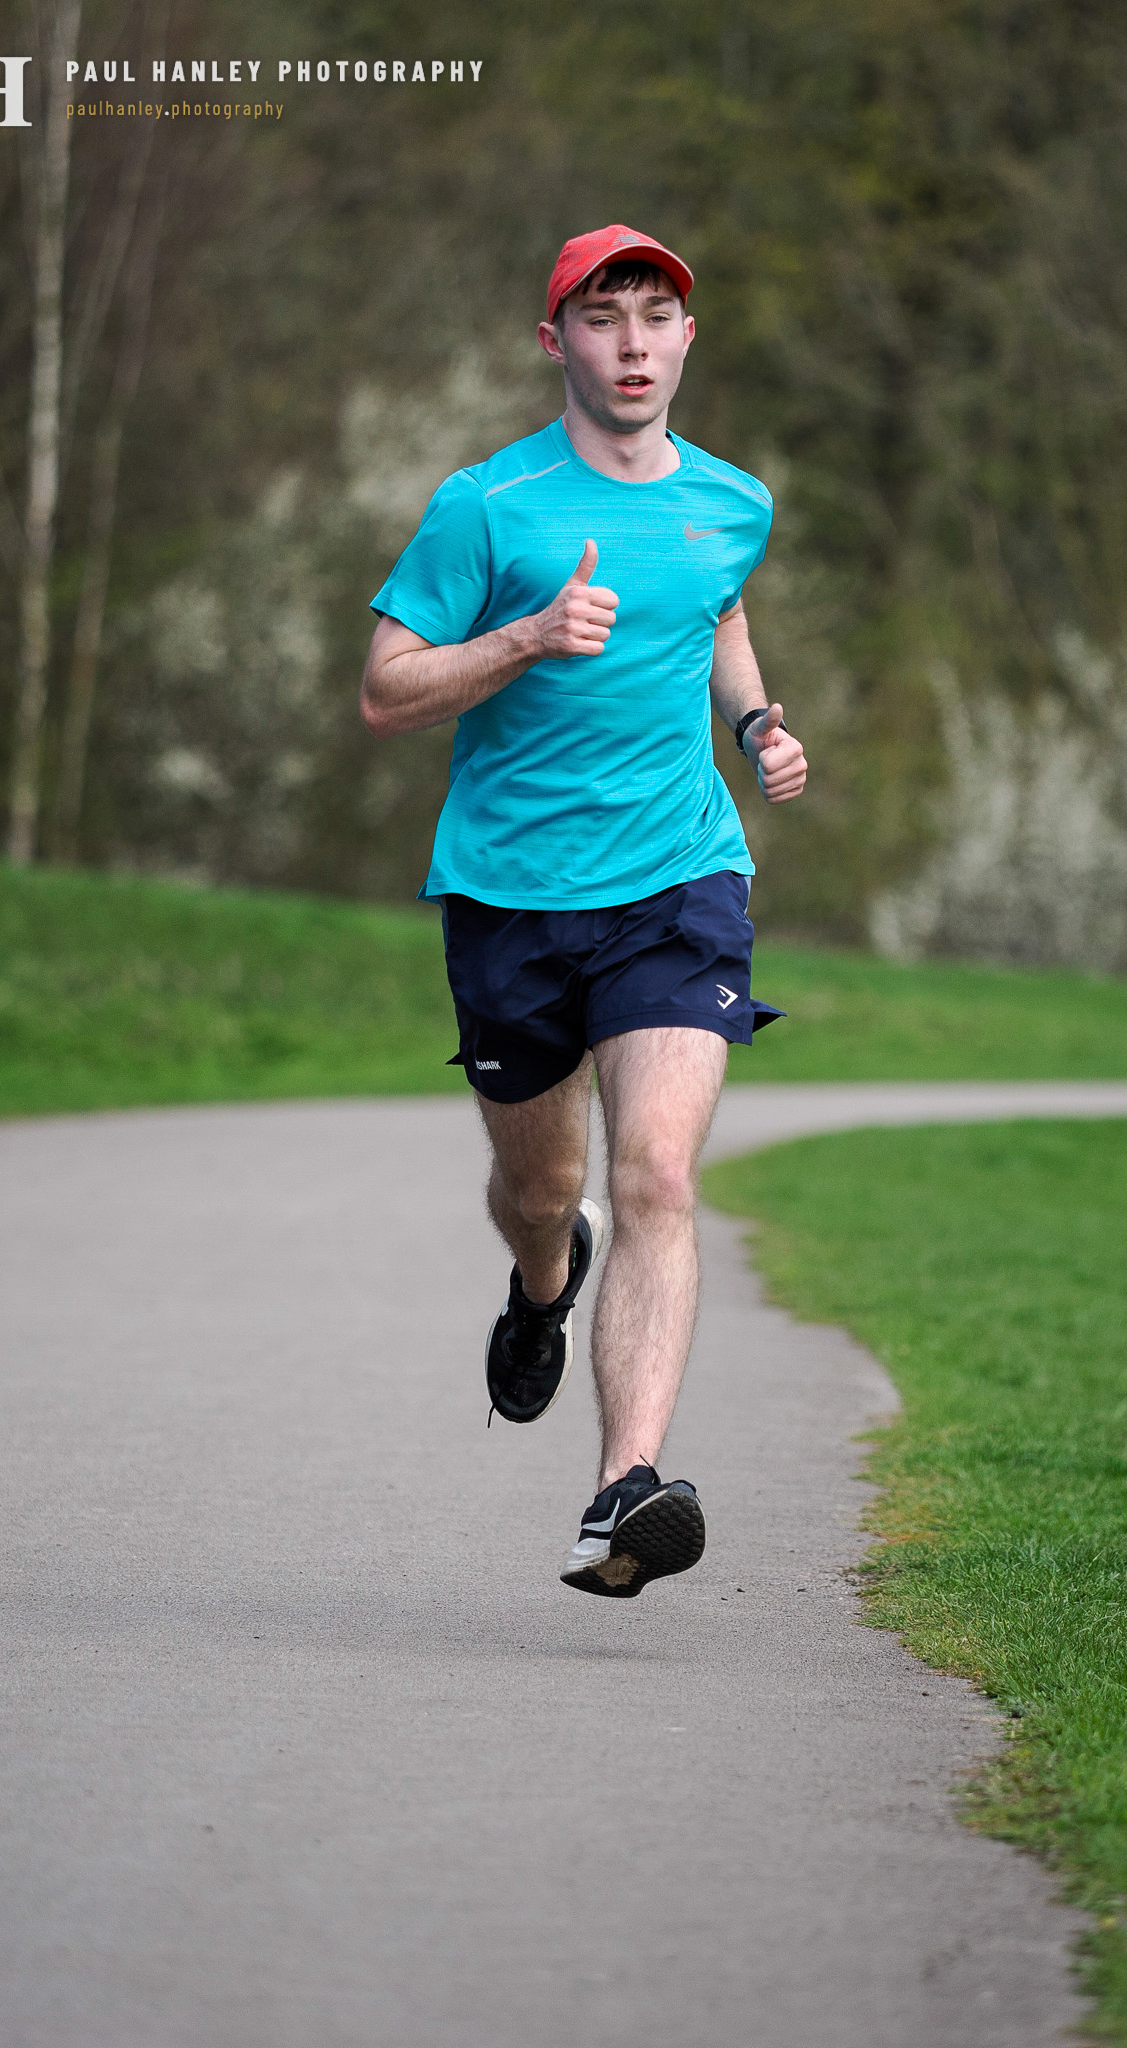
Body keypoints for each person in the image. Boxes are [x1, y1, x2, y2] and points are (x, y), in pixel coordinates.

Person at [360, 224, 808, 1598]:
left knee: (658, 1172)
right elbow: (386, 689)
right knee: (543, 1191)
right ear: (557, 342)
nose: (631, 343)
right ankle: (545, 1281)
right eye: (604, 318)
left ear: (687, 339)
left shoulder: (733, 501)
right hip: (513, 897)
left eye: (654, 317)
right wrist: (527, 638)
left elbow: (716, 611)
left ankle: (625, 1492)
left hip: (679, 878)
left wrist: (757, 722)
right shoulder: (487, 507)